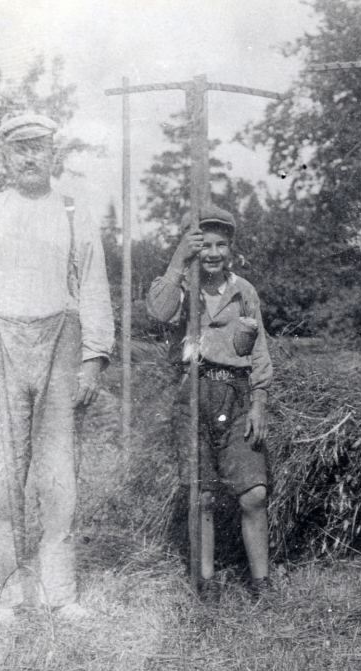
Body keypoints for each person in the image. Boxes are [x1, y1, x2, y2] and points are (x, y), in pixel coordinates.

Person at [0, 113, 115, 621]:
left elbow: (93, 285)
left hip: (59, 343)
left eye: (38, 147)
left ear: (52, 154)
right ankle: (7, 589)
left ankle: (58, 592)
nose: (28, 156)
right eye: (18, 148)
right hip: (0, 344)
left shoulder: (70, 210)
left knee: (57, 471)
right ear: (4, 155)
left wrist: (93, 360)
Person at [147, 205, 273, 600]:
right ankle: (206, 582)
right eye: (204, 245)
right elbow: (157, 310)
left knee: (254, 493)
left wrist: (259, 402)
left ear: (231, 248)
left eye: (221, 244)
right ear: (191, 246)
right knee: (201, 494)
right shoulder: (181, 289)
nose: (213, 253)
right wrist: (178, 262)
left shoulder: (244, 291)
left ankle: (261, 582)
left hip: (235, 396)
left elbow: (260, 352)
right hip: (193, 395)